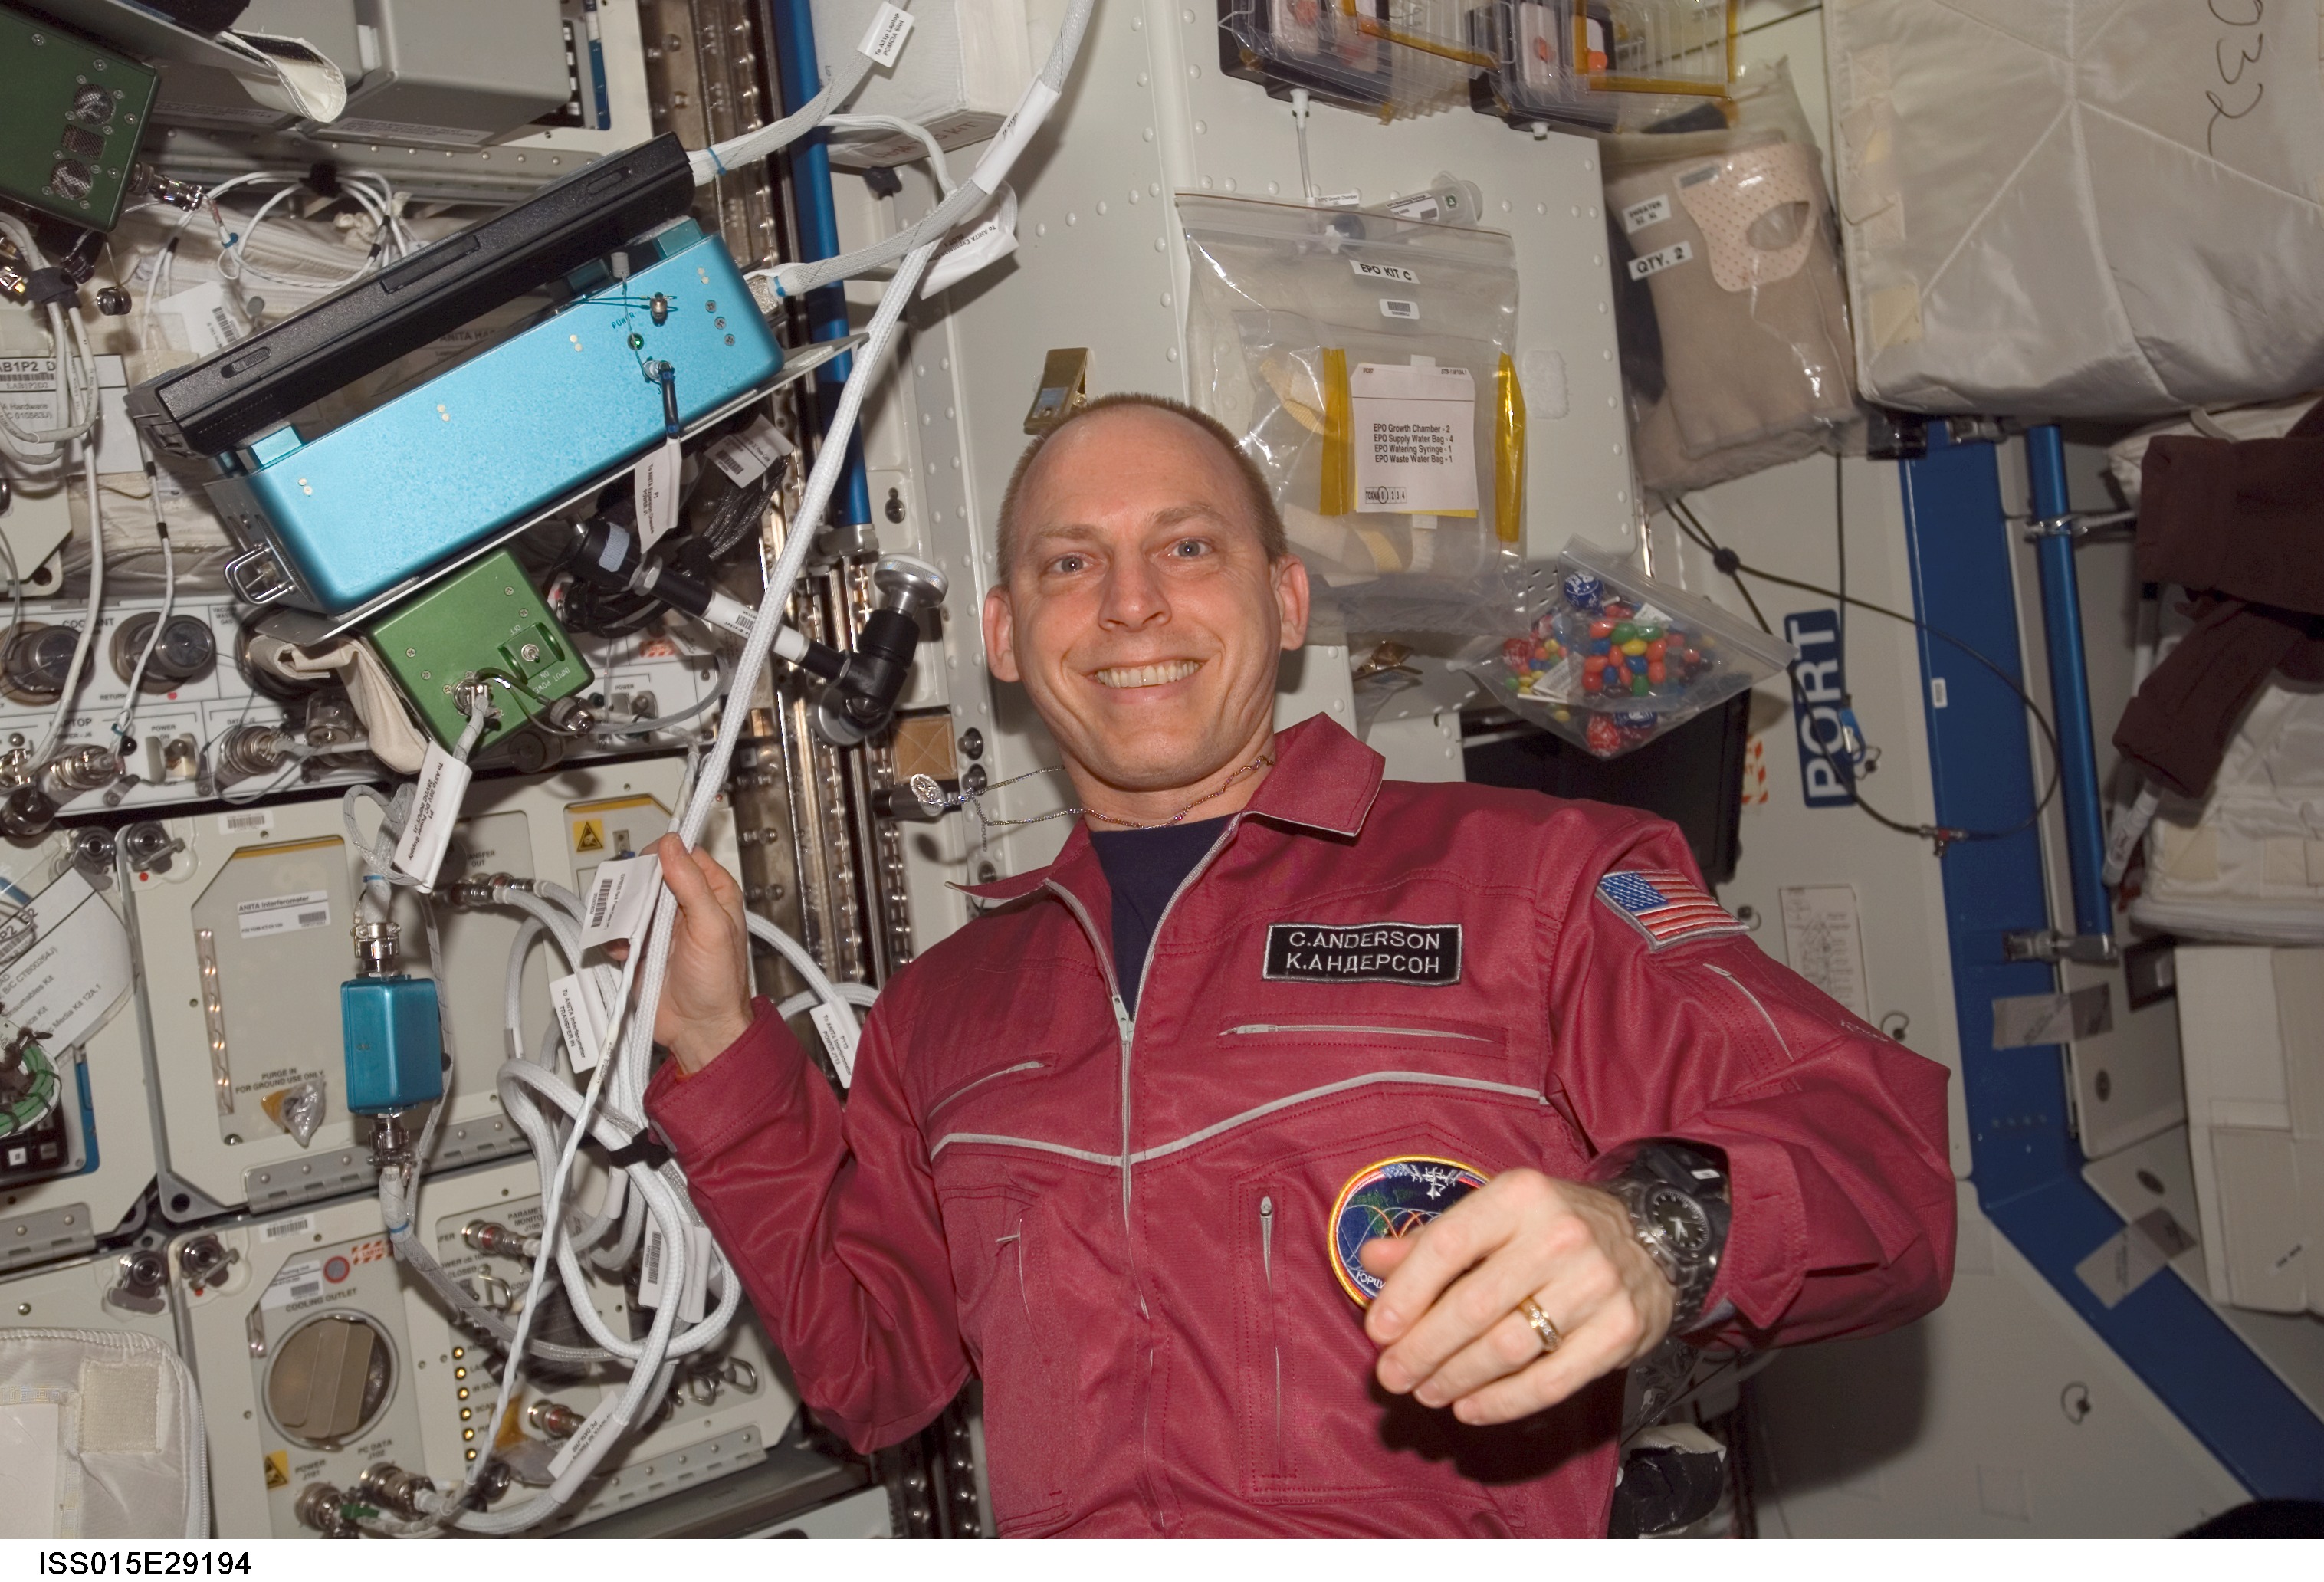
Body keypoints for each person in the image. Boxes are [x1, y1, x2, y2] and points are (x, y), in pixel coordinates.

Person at [642, 393, 1955, 1538]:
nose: (1131, 602)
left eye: (1188, 546)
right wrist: (719, 1054)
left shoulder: (1538, 881)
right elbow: (875, 1370)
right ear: (1001, 635)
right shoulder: (946, 1010)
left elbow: (1880, 1166)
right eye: (1068, 563)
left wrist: (1652, 1229)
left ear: (1283, 603)